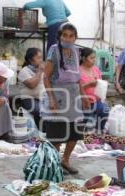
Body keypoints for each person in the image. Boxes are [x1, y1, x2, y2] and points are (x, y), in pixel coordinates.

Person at [41, 23, 86, 175]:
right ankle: (54, 164)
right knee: (58, 134)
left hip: (73, 97)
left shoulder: (75, 51)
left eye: (71, 35)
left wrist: (83, 95)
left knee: (75, 132)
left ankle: (65, 161)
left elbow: (78, 78)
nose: (67, 38)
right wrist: (51, 99)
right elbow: (45, 77)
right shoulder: (54, 51)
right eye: (64, 35)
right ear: (59, 36)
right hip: (59, 96)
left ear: (75, 37)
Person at [79, 47, 109, 133]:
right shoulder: (78, 71)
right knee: (86, 115)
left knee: (105, 110)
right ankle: (79, 133)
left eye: (94, 57)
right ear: (84, 58)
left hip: (97, 99)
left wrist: (103, 83)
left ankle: (99, 131)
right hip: (83, 101)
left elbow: (100, 81)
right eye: (91, 58)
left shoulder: (96, 69)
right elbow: (77, 87)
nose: (94, 60)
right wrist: (89, 84)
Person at [18, 48, 45, 128]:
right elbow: (32, 85)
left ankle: (44, 133)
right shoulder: (24, 71)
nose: (41, 60)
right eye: (38, 58)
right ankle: (42, 133)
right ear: (30, 59)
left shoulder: (42, 70)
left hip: (42, 99)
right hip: (29, 99)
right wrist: (40, 72)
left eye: (41, 57)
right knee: (42, 111)